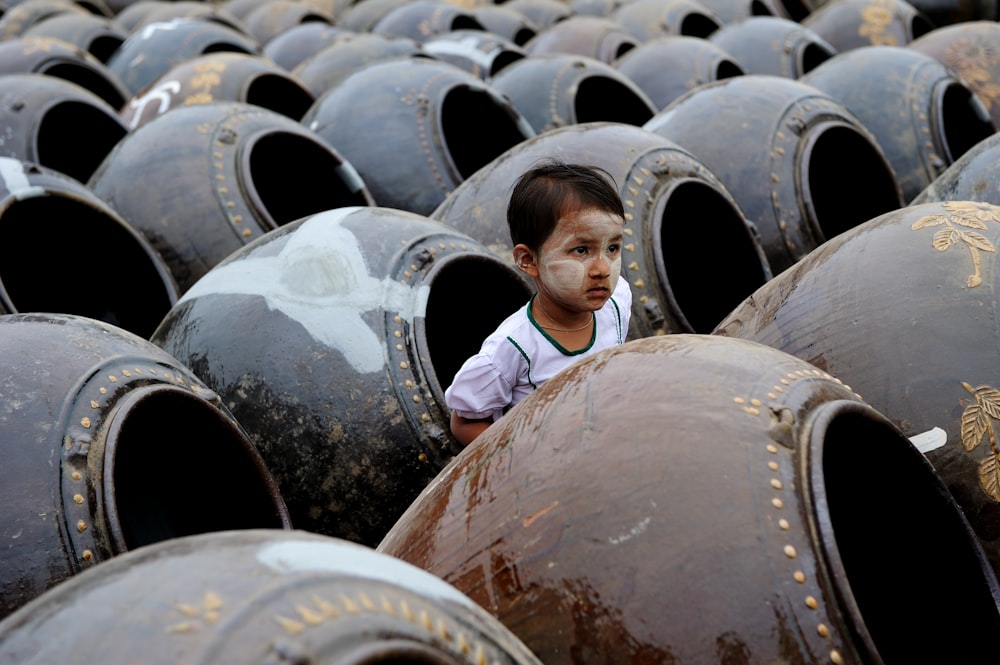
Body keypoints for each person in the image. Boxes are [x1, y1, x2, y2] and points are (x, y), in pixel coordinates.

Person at [445, 161, 633, 446]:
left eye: (612, 248)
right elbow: (464, 421)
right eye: (581, 250)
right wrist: (522, 456)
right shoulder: (513, 348)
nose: (602, 268)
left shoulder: (617, 301)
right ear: (528, 260)